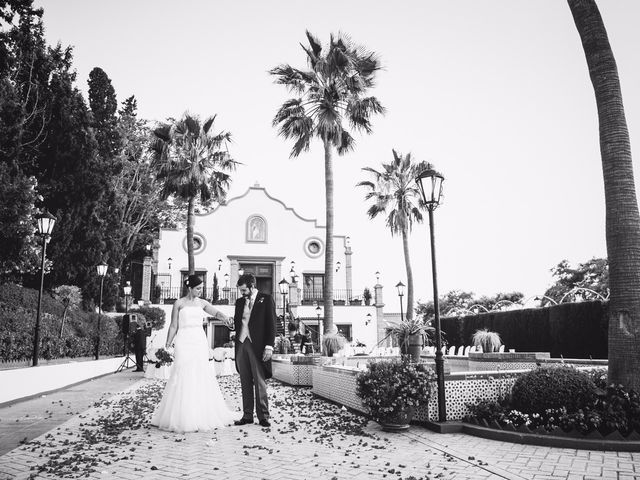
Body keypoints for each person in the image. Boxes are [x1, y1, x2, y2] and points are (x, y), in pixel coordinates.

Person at [150, 275, 235, 432]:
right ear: (189, 288)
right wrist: (168, 344)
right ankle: (180, 414)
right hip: (183, 339)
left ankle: (199, 413)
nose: (200, 291)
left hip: (198, 340)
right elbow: (174, 325)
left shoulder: (202, 303)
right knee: (182, 371)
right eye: (198, 288)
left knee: (200, 372)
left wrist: (226, 318)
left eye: (201, 288)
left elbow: (216, 313)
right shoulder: (179, 303)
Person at [233, 273, 276, 427]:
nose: (242, 293)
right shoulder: (239, 302)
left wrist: (269, 346)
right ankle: (247, 415)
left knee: (259, 381)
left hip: (257, 345)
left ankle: (263, 416)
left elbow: (272, 324)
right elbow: (239, 324)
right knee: (244, 381)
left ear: (252, 287)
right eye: (240, 291)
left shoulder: (266, 299)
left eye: (244, 290)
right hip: (241, 343)